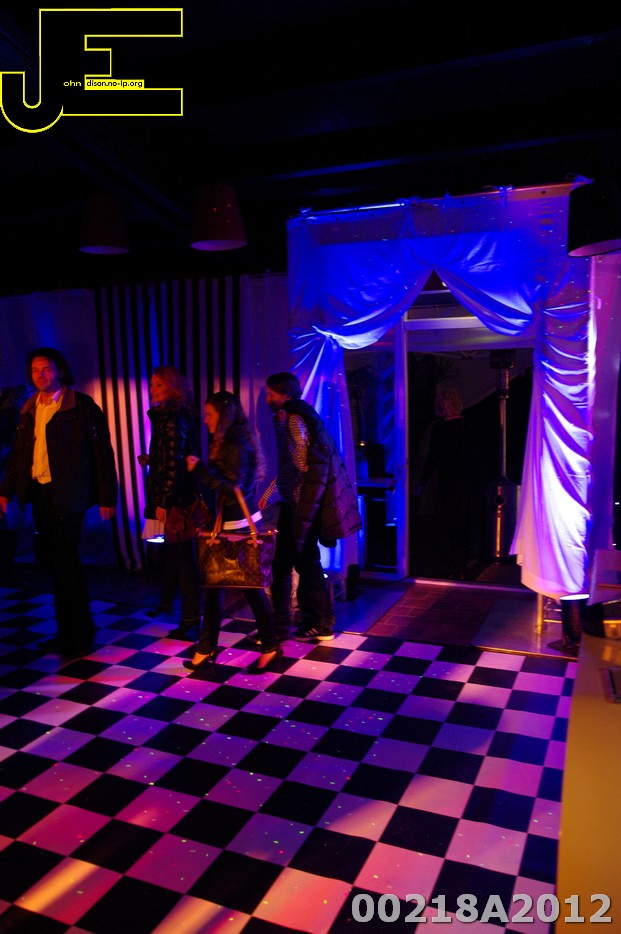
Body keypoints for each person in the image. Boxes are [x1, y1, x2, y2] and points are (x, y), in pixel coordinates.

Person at [0, 347, 118, 656]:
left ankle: (79, 632)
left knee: (65, 561)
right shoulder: (29, 409)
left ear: (60, 371)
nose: (41, 375)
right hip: (41, 494)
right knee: (52, 560)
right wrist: (6, 490)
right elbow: (19, 456)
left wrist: (107, 494)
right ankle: (69, 630)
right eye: (35, 370)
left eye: (47, 368)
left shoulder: (80, 406)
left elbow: (102, 452)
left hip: (69, 494)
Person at [260, 372, 361, 643]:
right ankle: (303, 622)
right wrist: (270, 493)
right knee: (299, 563)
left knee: (298, 564)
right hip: (302, 503)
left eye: (270, 394)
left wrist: (283, 428)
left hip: (301, 504)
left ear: (286, 395)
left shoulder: (293, 419)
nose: (267, 399)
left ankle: (305, 624)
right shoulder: (304, 415)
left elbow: (301, 464)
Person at [183, 390, 281, 673]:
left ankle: (265, 647)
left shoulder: (233, 443)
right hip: (239, 521)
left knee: (243, 588)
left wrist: (199, 469)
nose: (205, 420)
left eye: (209, 414)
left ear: (223, 415)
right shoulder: (236, 439)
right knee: (234, 588)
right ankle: (210, 649)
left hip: (238, 525)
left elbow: (231, 488)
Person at [138, 366, 201, 638]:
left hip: (176, 498)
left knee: (182, 557)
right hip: (174, 495)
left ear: (173, 388)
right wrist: (152, 460)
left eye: (159, 385)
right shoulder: (167, 416)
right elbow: (172, 457)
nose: (153, 389)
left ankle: (190, 618)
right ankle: (171, 606)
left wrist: (163, 500)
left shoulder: (173, 417)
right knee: (176, 554)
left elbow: (176, 464)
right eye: (152, 384)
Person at [417, 387, 485, 579]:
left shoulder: (440, 428)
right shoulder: (470, 426)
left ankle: (454, 566)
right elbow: (478, 456)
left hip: (449, 482)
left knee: (450, 523)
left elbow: (433, 458)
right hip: (469, 482)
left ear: (444, 405)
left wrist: (421, 482)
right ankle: (467, 561)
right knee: (466, 521)